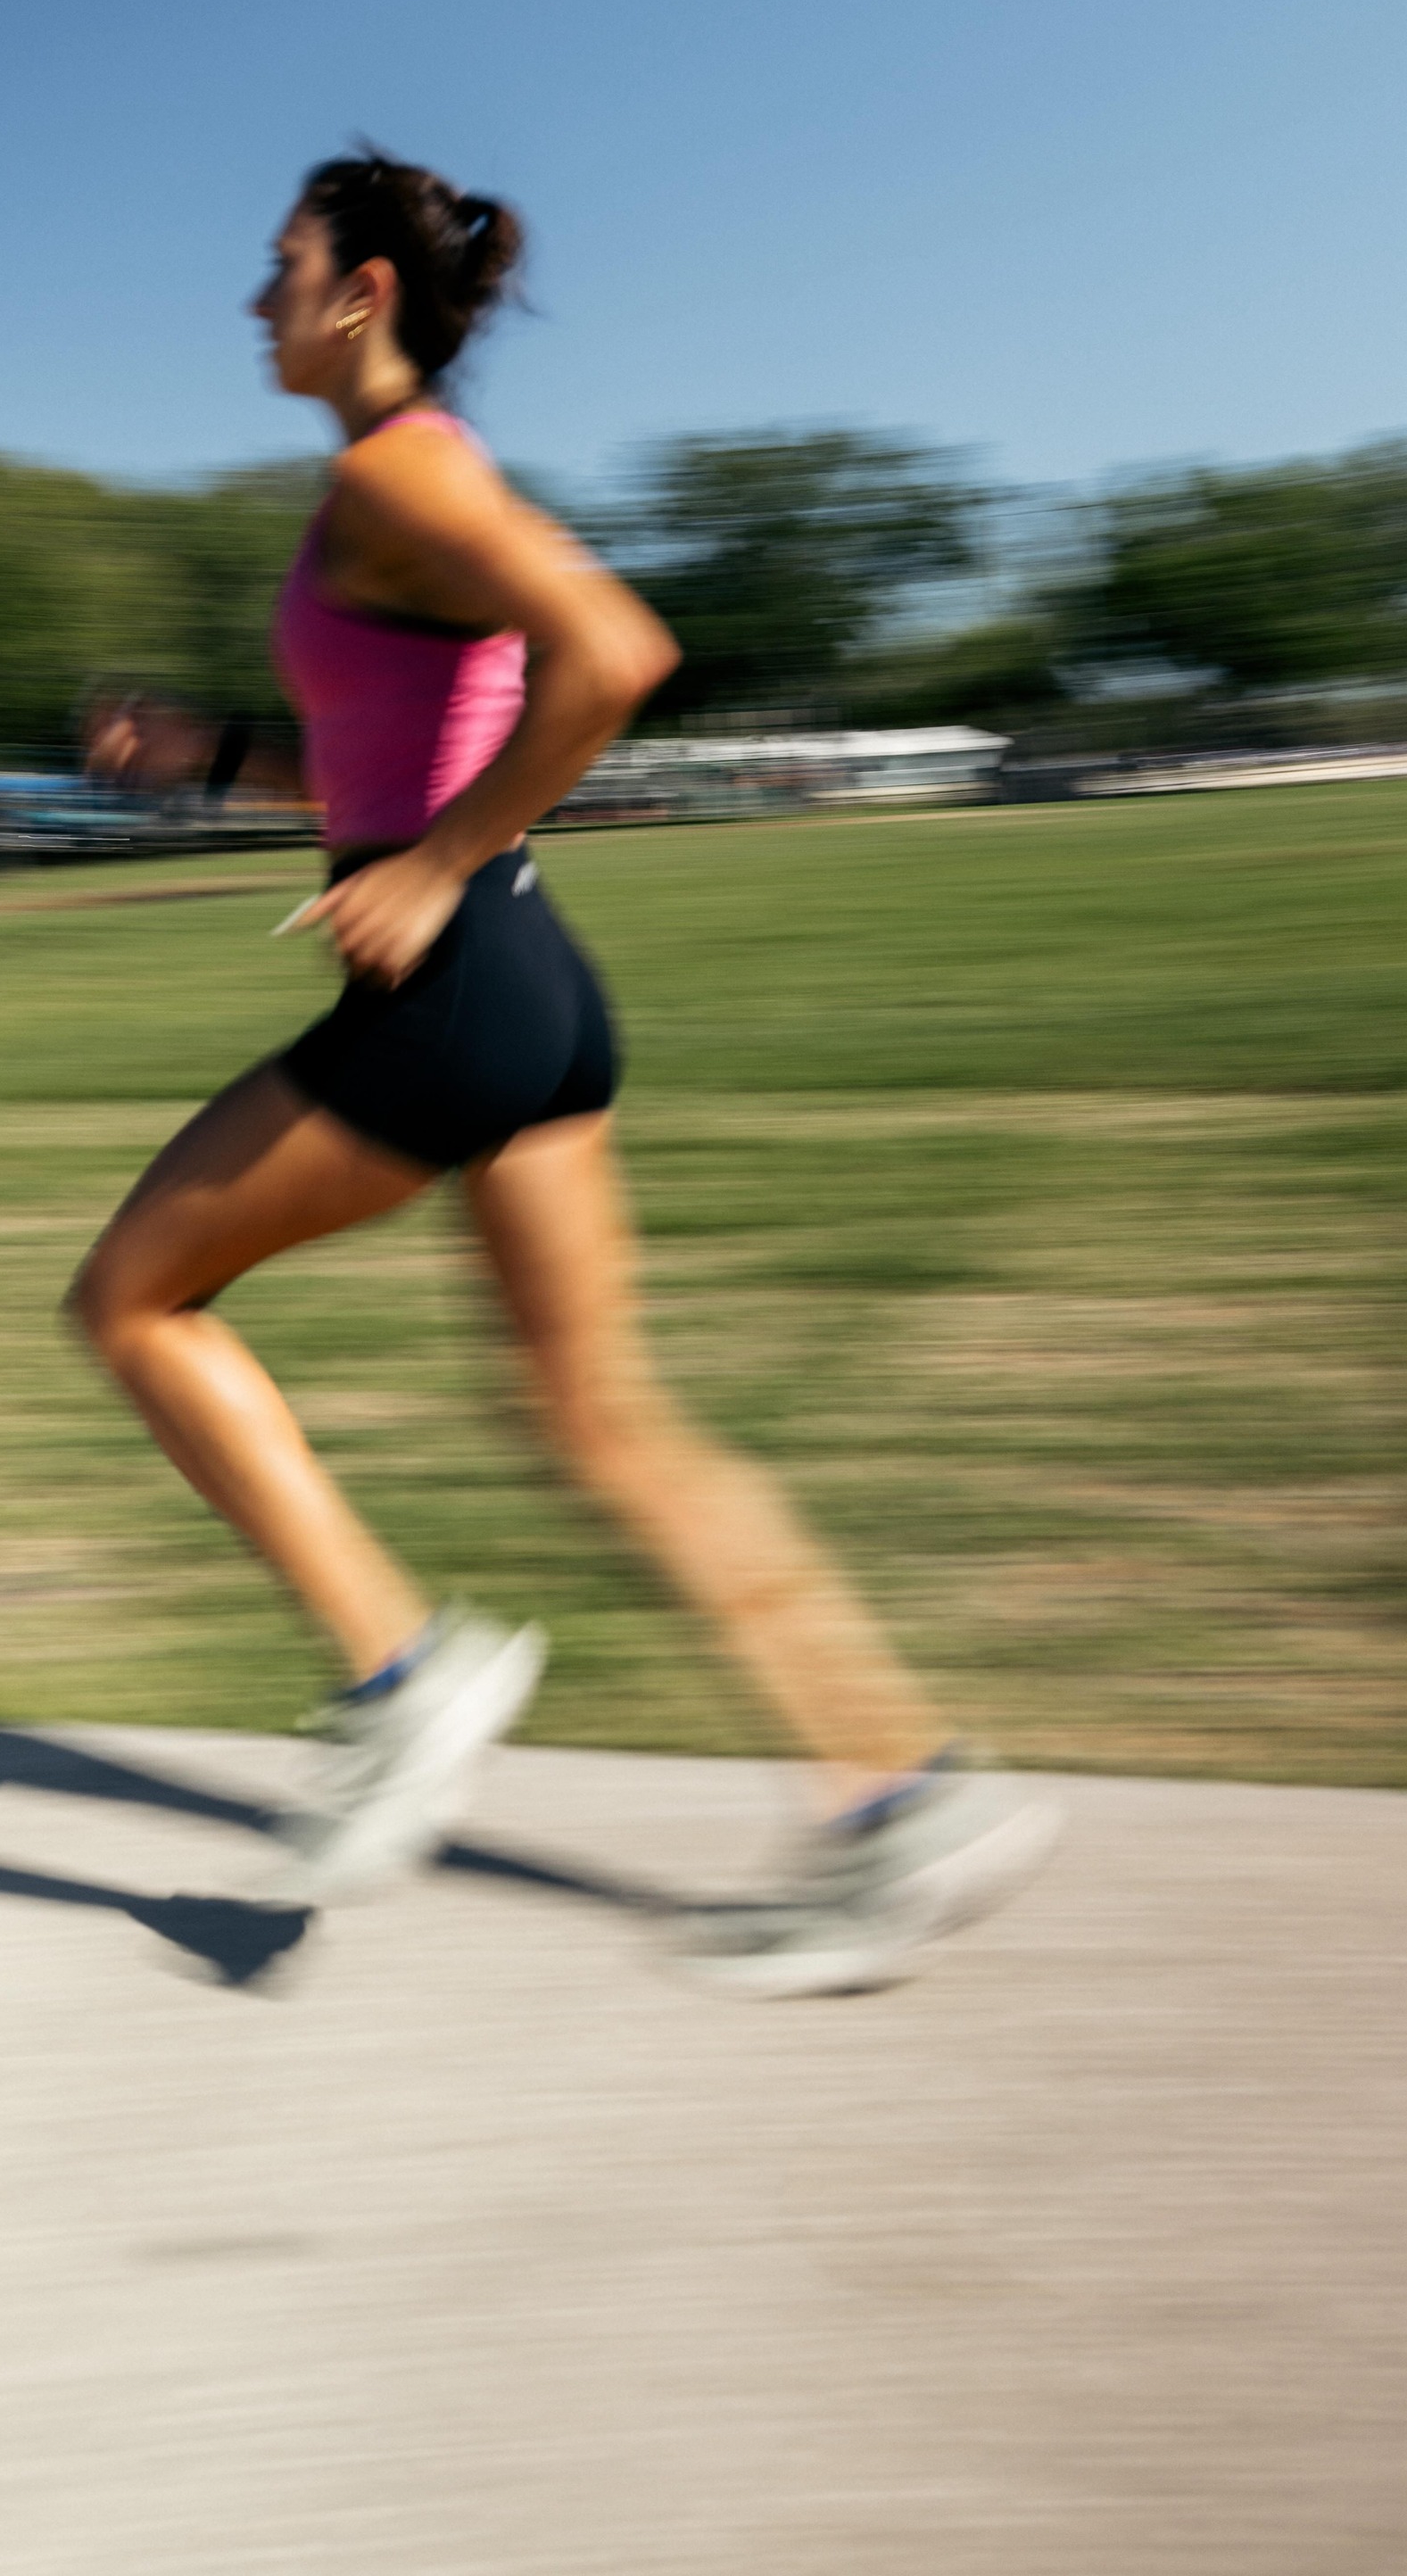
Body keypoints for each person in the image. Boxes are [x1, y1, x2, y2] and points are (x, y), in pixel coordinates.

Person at [69, 147, 1057, 1989]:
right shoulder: (391, 488)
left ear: (360, 292)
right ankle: (898, 1795)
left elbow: (614, 650)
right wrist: (214, 756)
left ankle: (399, 1669)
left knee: (133, 1297)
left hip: (452, 983)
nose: (251, 298)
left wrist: (431, 869)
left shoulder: (392, 472)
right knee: (608, 1423)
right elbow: (384, 755)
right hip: (526, 978)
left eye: (276, 266)